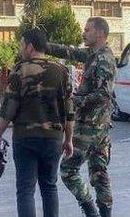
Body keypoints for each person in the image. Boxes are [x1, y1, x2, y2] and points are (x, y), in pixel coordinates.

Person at [0, 27, 75, 217]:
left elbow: (9, 108)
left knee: (25, 190)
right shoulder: (61, 71)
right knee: (49, 187)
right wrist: (68, 139)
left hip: (25, 138)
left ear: (30, 46)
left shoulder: (19, 71)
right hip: (53, 138)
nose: (21, 48)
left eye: (22, 44)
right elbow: (69, 110)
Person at [46, 17, 118, 217]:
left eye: (87, 30)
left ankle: (91, 211)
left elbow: (103, 95)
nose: (83, 33)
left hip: (91, 127)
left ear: (100, 33)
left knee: (68, 170)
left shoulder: (104, 59)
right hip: (98, 126)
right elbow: (69, 51)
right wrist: (45, 46)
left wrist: (74, 101)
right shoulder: (92, 55)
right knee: (99, 173)